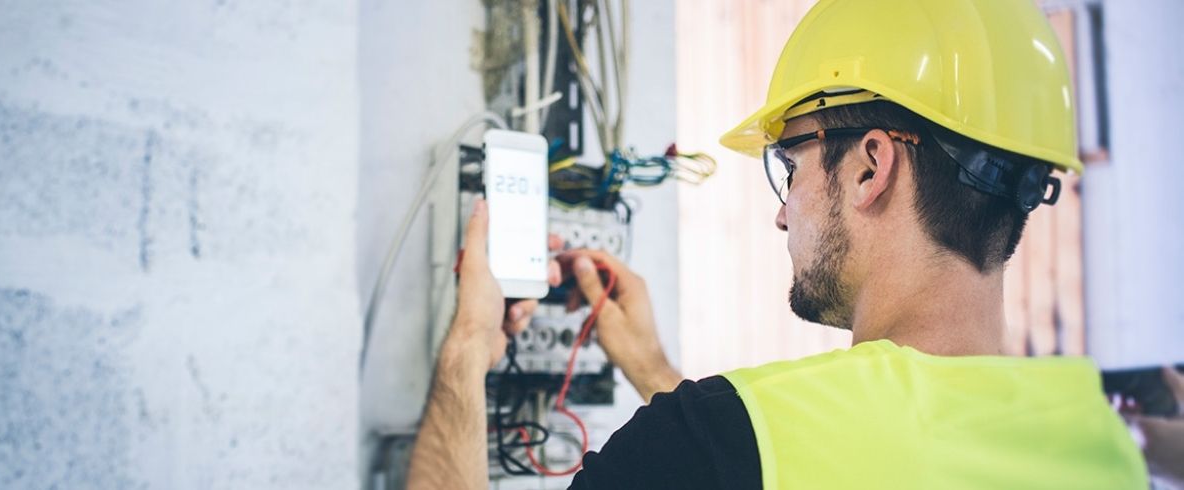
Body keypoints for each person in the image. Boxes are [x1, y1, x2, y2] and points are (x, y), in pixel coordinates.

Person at [407, 0, 1148, 488]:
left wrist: (469, 344)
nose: (781, 215)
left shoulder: (718, 440)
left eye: (787, 164)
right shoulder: (1103, 450)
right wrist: (654, 370)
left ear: (868, 167)